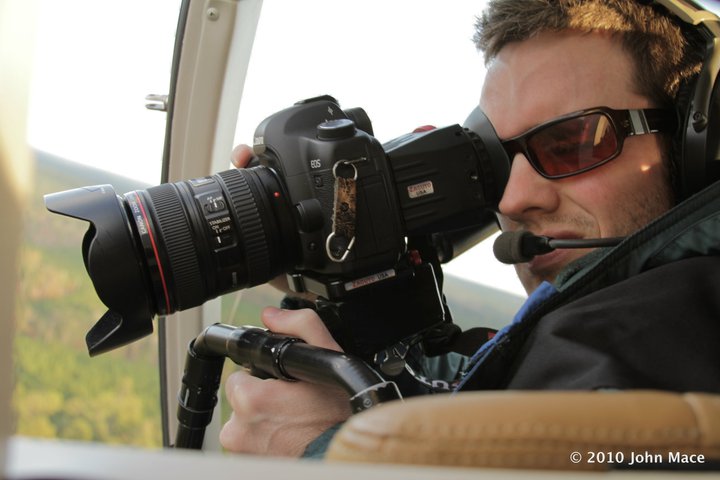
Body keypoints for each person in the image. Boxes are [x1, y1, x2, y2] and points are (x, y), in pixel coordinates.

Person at [219, 0, 720, 458]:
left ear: (698, 144)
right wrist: (337, 288)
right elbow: (483, 405)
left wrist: (328, 452)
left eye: (573, 142)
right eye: (500, 162)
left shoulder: (660, 348)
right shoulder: (609, 336)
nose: (514, 198)